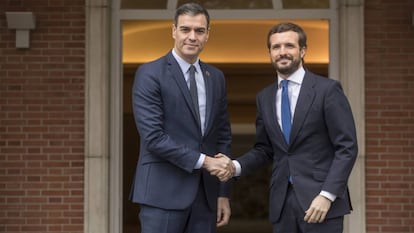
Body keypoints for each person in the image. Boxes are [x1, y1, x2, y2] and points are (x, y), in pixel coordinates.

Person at [229, 22, 358, 233]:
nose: (282, 52)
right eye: (276, 47)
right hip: (282, 204)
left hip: (321, 204)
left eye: (289, 46)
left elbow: (347, 147)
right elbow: (265, 149)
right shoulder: (265, 97)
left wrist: (327, 195)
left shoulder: (327, 90)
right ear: (269, 53)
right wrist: (235, 166)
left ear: (303, 50)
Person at [129, 3, 234, 233]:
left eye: (199, 31)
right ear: (173, 31)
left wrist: (222, 193)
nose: (192, 37)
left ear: (208, 34)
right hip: (162, 193)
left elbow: (223, 136)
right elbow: (154, 137)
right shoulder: (150, 73)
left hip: (206, 197)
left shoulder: (216, 77)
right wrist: (206, 162)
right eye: (185, 29)